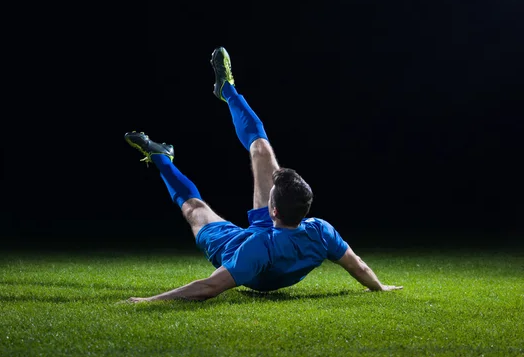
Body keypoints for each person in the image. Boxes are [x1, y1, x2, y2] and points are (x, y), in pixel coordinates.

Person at [123, 47, 402, 303]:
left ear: (273, 210)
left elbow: (209, 287)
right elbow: (358, 266)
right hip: (270, 237)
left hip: (236, 247)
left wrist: (148, 301)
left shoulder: (257, 248)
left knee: (194, 208)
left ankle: (161, 157)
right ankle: (227, 90)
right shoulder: (321, 231)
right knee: (261, 148)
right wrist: (379, 286)